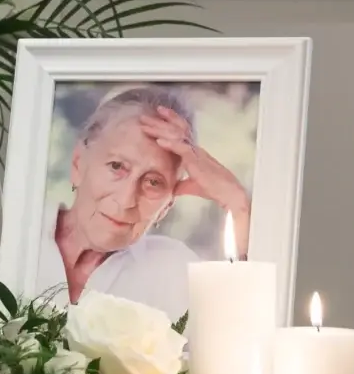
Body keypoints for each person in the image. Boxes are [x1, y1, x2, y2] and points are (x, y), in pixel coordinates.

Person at [37, 86, 252, 321]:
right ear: (78, 164)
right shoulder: (12, 234)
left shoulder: (174, 271)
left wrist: (237, 204)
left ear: (166, 206)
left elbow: (242, 336)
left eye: (153, 182)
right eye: (117, 166)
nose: (127, 199)